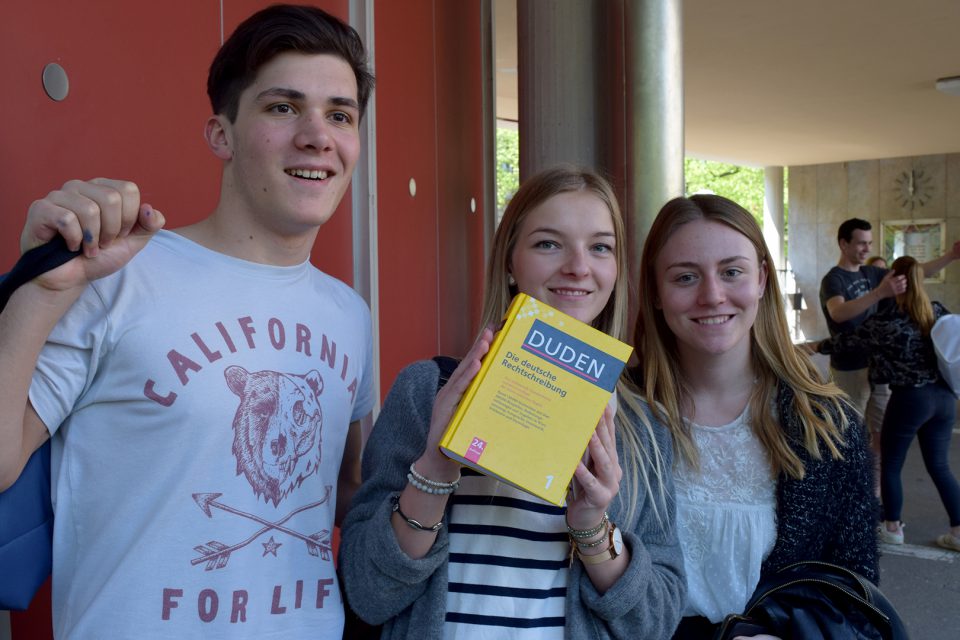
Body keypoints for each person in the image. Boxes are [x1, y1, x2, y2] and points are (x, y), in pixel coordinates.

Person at [0, 5, 375, 637]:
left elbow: (351, 494)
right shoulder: (115, 275)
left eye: (340, 114)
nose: (318, 135)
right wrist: (39, 294)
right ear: (220, 135)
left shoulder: (349, 314)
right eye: (282, 108)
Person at [338, 166, 685, 639]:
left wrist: (591, 528)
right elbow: (368, 593)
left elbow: (655, 624)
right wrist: (435, 472)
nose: (579, 267)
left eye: (600, 247)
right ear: (509, 261)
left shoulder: (643, 426)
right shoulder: (429, 391)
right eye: (548, 243)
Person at [630, 195, 878, 639]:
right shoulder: (617, 409)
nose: (712, 295)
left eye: (732, 271)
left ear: (762, 279)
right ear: (655, 292)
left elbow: (855, 590)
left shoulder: (828, 424)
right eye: (685, 277)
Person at [820, 256, 960, 552]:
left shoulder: (886, 322)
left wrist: (812, 346)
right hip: (945, 399)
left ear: (893, 281)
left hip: (910, 398)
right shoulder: (936, 312)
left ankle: (892, 527)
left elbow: (845, 341)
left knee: (892, 464)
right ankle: (958, 531)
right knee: (940, 466)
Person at [819, 218, 959, 415]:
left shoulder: (871, 272)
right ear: (843, 244)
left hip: (878, 365)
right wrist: (879, 293)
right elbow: (838, 313)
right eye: (861, 243)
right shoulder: (833, 279)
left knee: (879, 425)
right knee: (850, 426)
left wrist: (951, 256)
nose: (867, 249)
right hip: (850, 366)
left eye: (869, 243)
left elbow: (917, 272)